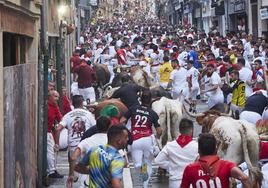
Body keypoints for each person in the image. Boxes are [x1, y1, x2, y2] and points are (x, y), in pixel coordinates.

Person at [120, 89, 162, 188]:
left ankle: (142, 169)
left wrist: (126, 133)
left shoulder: (133, 109)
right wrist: (157, 138)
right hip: (147, 139)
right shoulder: (152, 113)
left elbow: (122, 121)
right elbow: (159, 131)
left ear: (140, 99)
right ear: (150, 100)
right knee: (148, 163)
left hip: (135, 139)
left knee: (137, 164)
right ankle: (145, 185)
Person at [181, 133, 252, 188]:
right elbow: (244, 178)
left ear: (199, 150)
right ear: (216, 150)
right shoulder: (226, 165)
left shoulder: (190, 169)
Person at [67, 116, 111, 187]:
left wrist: (71, 174)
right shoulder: (113, 141)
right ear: (109, 126)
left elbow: (73, 158)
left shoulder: (86, 141)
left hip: (87, 180)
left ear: (96, 126)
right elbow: (124, 162)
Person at [154, 118, 198, 188]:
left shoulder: (170, 145)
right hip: (191, 182)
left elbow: (158, 161)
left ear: (179, 130)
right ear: (191, 130)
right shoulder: (197, 146)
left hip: (174, 182)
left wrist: (171, 167)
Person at [47, 90, 64, 178]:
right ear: (50, 97)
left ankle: (52, 169)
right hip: (46, 132)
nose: (57, 99)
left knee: (53, 150)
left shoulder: (54, 107)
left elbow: (60, 118)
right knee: (50, 151)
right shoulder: (46, 106)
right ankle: (51, 171)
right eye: (55, 96)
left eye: (58, 97)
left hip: (49, 131)